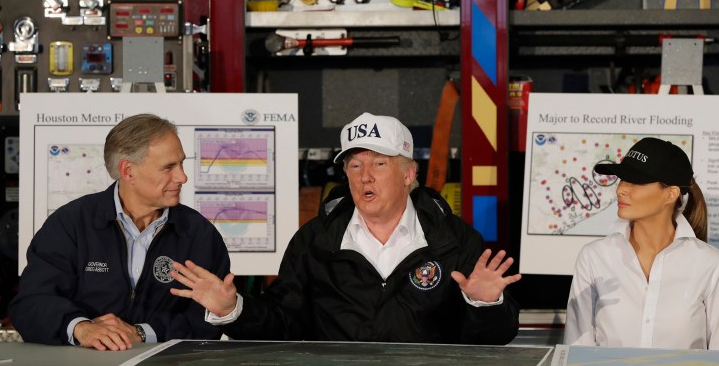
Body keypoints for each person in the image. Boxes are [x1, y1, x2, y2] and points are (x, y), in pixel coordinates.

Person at [170, 112, 521, 344]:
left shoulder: (454, 240)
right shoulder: (315, 241)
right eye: (354, 165)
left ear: (408, 174)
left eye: (379, 164)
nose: (365, 176)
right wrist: (234, 310)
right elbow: (283, 324)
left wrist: (485, 305)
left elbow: (492, 343)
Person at [9, 114, 231, 351]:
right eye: (169, 167)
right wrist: (81, 328)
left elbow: (209, 320)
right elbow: (31, 303)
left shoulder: (199, 233)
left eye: (181, 164)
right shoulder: (70, 223)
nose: (182, 177)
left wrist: (142, 333)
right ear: (128, 171)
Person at [563, 137, 719, 350]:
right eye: (622, 179)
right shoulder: (594, 256)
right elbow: (577, 350)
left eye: (635, 181)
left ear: (670, 193)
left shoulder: (710, 263)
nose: (621, 189)